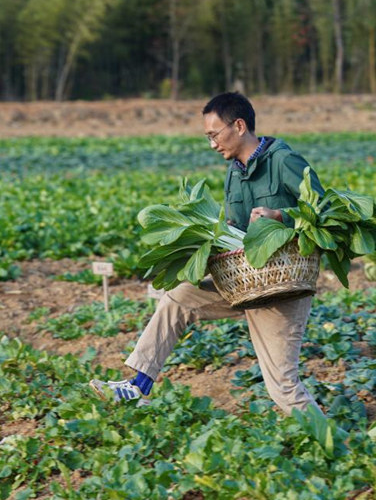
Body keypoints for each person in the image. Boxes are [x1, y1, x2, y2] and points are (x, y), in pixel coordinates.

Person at [90, 92, 326, 415]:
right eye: (208, 137)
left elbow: (322, 210)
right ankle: (137, 386)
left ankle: (336, 443)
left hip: (283, 288)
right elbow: (235, 227)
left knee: (282, 387)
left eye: (214, 135)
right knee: (178, 297)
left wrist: (279, 216)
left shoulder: (283, 161)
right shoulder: (233, 172)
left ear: (239, 125)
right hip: (245, 281)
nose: (213, 144)